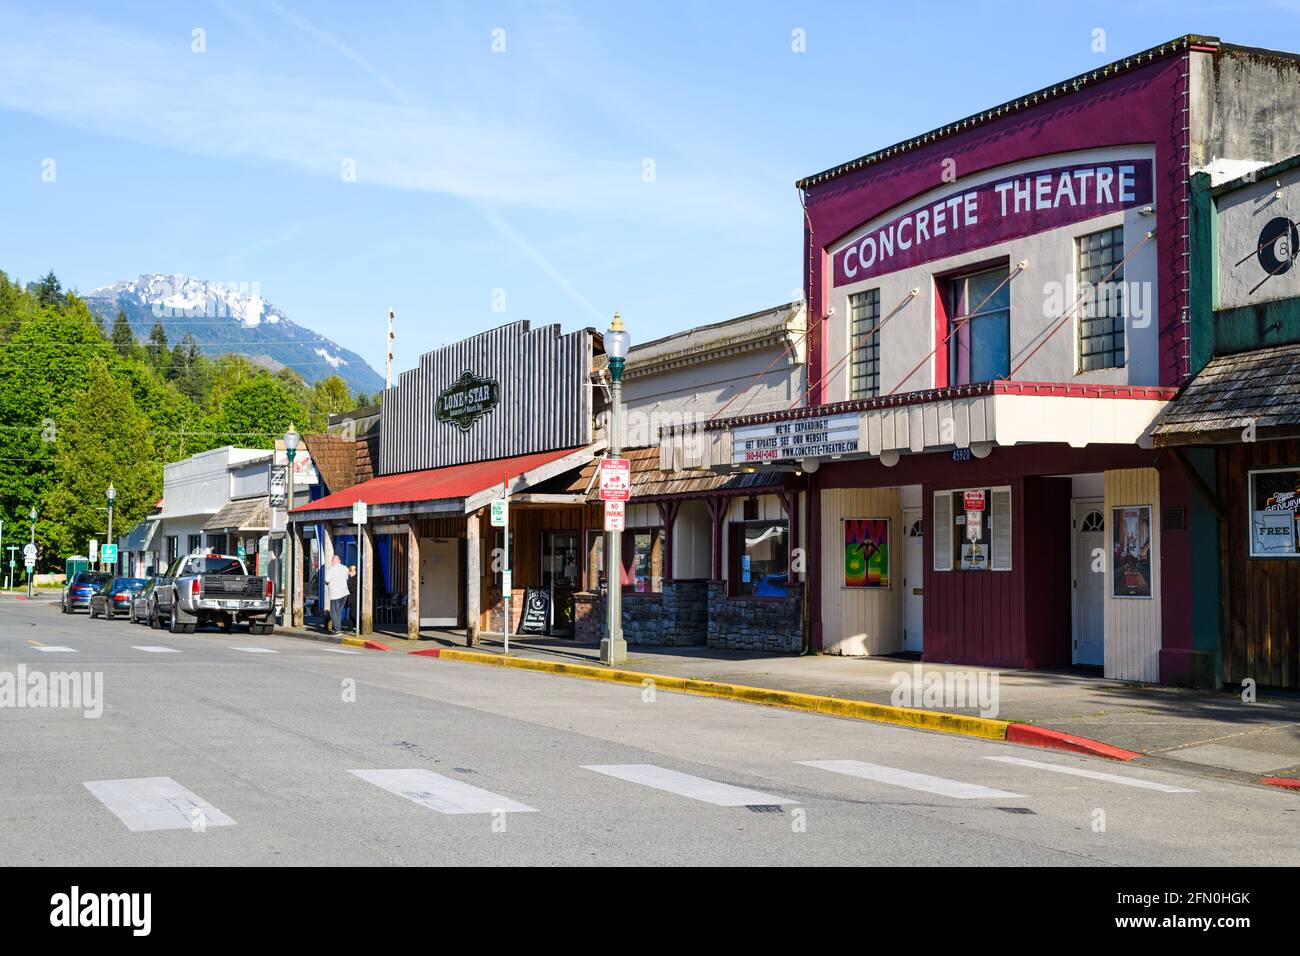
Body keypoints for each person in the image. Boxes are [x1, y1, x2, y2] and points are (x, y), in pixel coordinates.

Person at [324, 554, 349, 633]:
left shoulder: (331, 569)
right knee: (339, 612)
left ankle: (337, 629)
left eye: (332, 560)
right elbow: (346, 578)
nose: (332, 562)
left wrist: (328, 583)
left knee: (333, 613)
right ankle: (338, 628)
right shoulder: (345, 568)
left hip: (335, 594)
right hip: (344, 593)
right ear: (340, 561)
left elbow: (327, 580)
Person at [345, 564, 358, 630]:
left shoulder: (353, 579)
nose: (348, 573)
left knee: (353, 613)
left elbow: (352, 588)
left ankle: (358, 626)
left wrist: (347, 587)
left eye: (349, 572)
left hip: (353, 598)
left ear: (352, 571)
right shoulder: (357, 578)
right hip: (355, 598)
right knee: (351, 613)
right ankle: (351, 627)